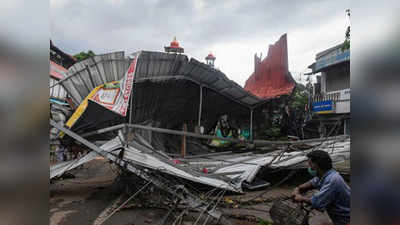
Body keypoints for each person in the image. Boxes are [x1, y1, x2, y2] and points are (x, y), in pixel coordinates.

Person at [292, 150, 350, 225]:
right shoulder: (325, 175)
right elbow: (312, 183)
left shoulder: (333, 180)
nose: (309, 167)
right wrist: (298, 188)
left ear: (316, 165)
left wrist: (301, 198)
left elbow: (317, 202)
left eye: (310, 164)